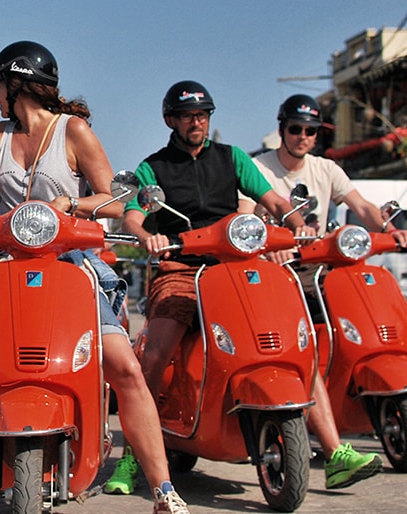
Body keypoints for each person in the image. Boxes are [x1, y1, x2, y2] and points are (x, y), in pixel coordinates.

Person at [0, 42, 189, 514]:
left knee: (124, 365)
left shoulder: (74, 131)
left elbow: (111, 200)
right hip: (2, 266)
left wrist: (71, 204)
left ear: (18, 85)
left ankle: (164, 490)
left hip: (68, 263)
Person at [109, 80, 310, 498]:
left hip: (234, 267)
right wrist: (148, 235)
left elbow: (271, 198)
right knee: (155, 353)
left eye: (202, 115)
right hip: (180, 268)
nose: (196, 122)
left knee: (285, 333)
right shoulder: (153, 168)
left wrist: (296, 223)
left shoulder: (232, 158)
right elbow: (131, 214)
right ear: (171, 121)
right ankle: (132, 454)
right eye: (187, 116)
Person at [236, 93, 402, 488]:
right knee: (304, 350)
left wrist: (388, 228)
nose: (303, 136)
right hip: (273, 277)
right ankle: (330, 447)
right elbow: (244, 219)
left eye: (311, 131)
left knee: (357, 326)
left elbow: (362, 207)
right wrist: (266, 248)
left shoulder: (327, 169)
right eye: (295, 129)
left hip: (319, 272)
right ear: (282, 130)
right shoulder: (259, 168)